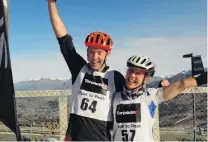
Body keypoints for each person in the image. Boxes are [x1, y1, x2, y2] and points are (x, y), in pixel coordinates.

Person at [47, 0, 125, 141]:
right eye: (91, 52)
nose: (94, 57)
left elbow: (133, 96)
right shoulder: (79, 69)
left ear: (107, 54)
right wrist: (51, 3)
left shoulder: (116, 77)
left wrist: (159, 86)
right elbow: (63, 38)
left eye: (99, 53)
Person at [112, 55, 207, 141]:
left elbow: (181, 85)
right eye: (131, 70)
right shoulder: (114, 97)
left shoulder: (152, 96)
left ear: (146, 78)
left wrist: (203, 78)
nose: (132, 75)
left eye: (138, 73)